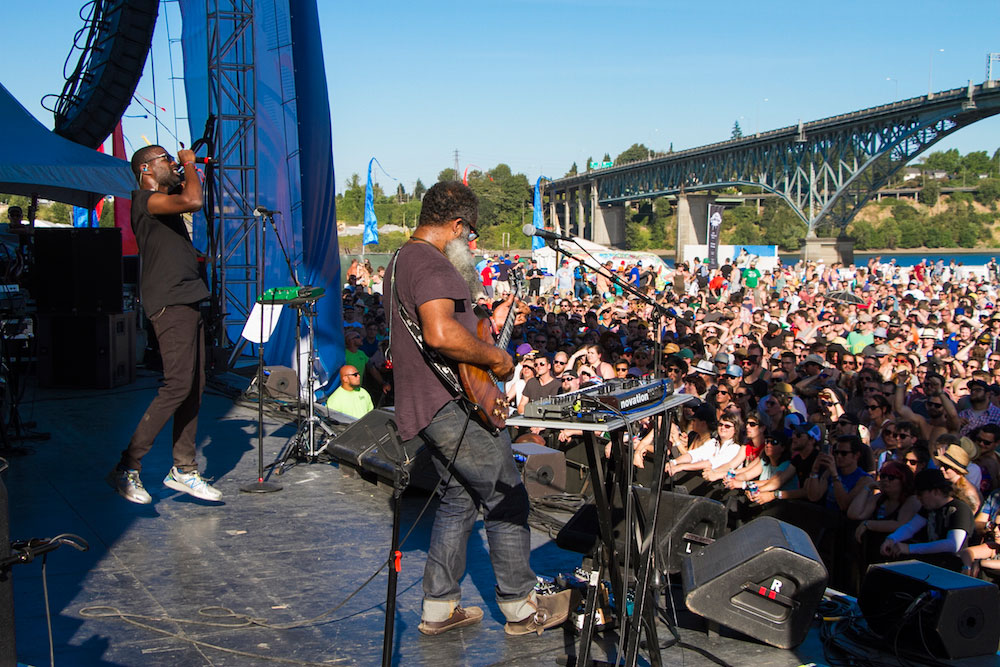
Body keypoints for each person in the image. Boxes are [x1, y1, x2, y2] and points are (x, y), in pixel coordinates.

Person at [385, 181, 568, 637]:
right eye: (470, 235)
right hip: (450, 408)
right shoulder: (434, 266)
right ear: (456, 225)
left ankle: (439, 608)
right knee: (507, 493)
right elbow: (442, 335)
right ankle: (522, 608)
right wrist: (497, 358)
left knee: (458, 499)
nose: (472, 244)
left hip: (424, 405)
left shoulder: (401, 259)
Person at [107, 145, 221, 504]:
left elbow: (190, 194)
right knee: (176, 385)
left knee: (194, 385)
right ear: (145, 169)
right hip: (169, 302)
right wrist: (188, 164)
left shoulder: (165, 198)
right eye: (165, 160)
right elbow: (193, 201)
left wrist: (190, 166)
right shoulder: (145, 200)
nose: (172, 163)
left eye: (173, 158)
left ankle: (183, 469)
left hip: (186, 299)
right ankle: (127, 467)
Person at [880, 468, 974, 571]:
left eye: (921, 494)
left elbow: (953, 544)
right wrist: (891, 539)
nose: (919, 499)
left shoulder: (959, 509)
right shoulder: (928, 508)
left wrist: (909, 548)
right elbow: (911, 527)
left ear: (936, 491)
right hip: (931, 564)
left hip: (952, 567)